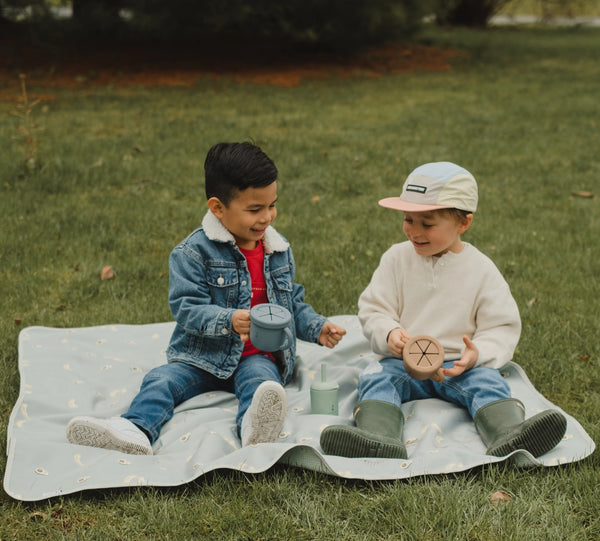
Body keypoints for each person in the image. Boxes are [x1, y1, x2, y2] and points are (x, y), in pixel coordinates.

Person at [67, 142, 346, 455]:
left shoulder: (278, 250)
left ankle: (255, 427)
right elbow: (187, 309)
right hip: (202, 358)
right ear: (217, 208)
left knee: (262, 385)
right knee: (161, 380)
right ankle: (135, 429)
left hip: (258, 355)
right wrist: (227, 320)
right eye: (255, 209)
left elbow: (291, 304)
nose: (267, 217)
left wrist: (317, 328)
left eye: (272, 205)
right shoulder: (192, 253)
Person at [320, 161, 566, 460]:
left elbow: (501, 326)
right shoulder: (396, 259)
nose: (414, 231)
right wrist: (390, 333)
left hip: (458, 366)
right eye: (409, 219)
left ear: (463, 223)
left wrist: (478, 354)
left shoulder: (481, 270)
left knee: (489, 383)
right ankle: (378, 437)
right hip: (404, 362)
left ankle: (509, 433)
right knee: (375, 376)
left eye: (428, 224)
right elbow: (374, 309)